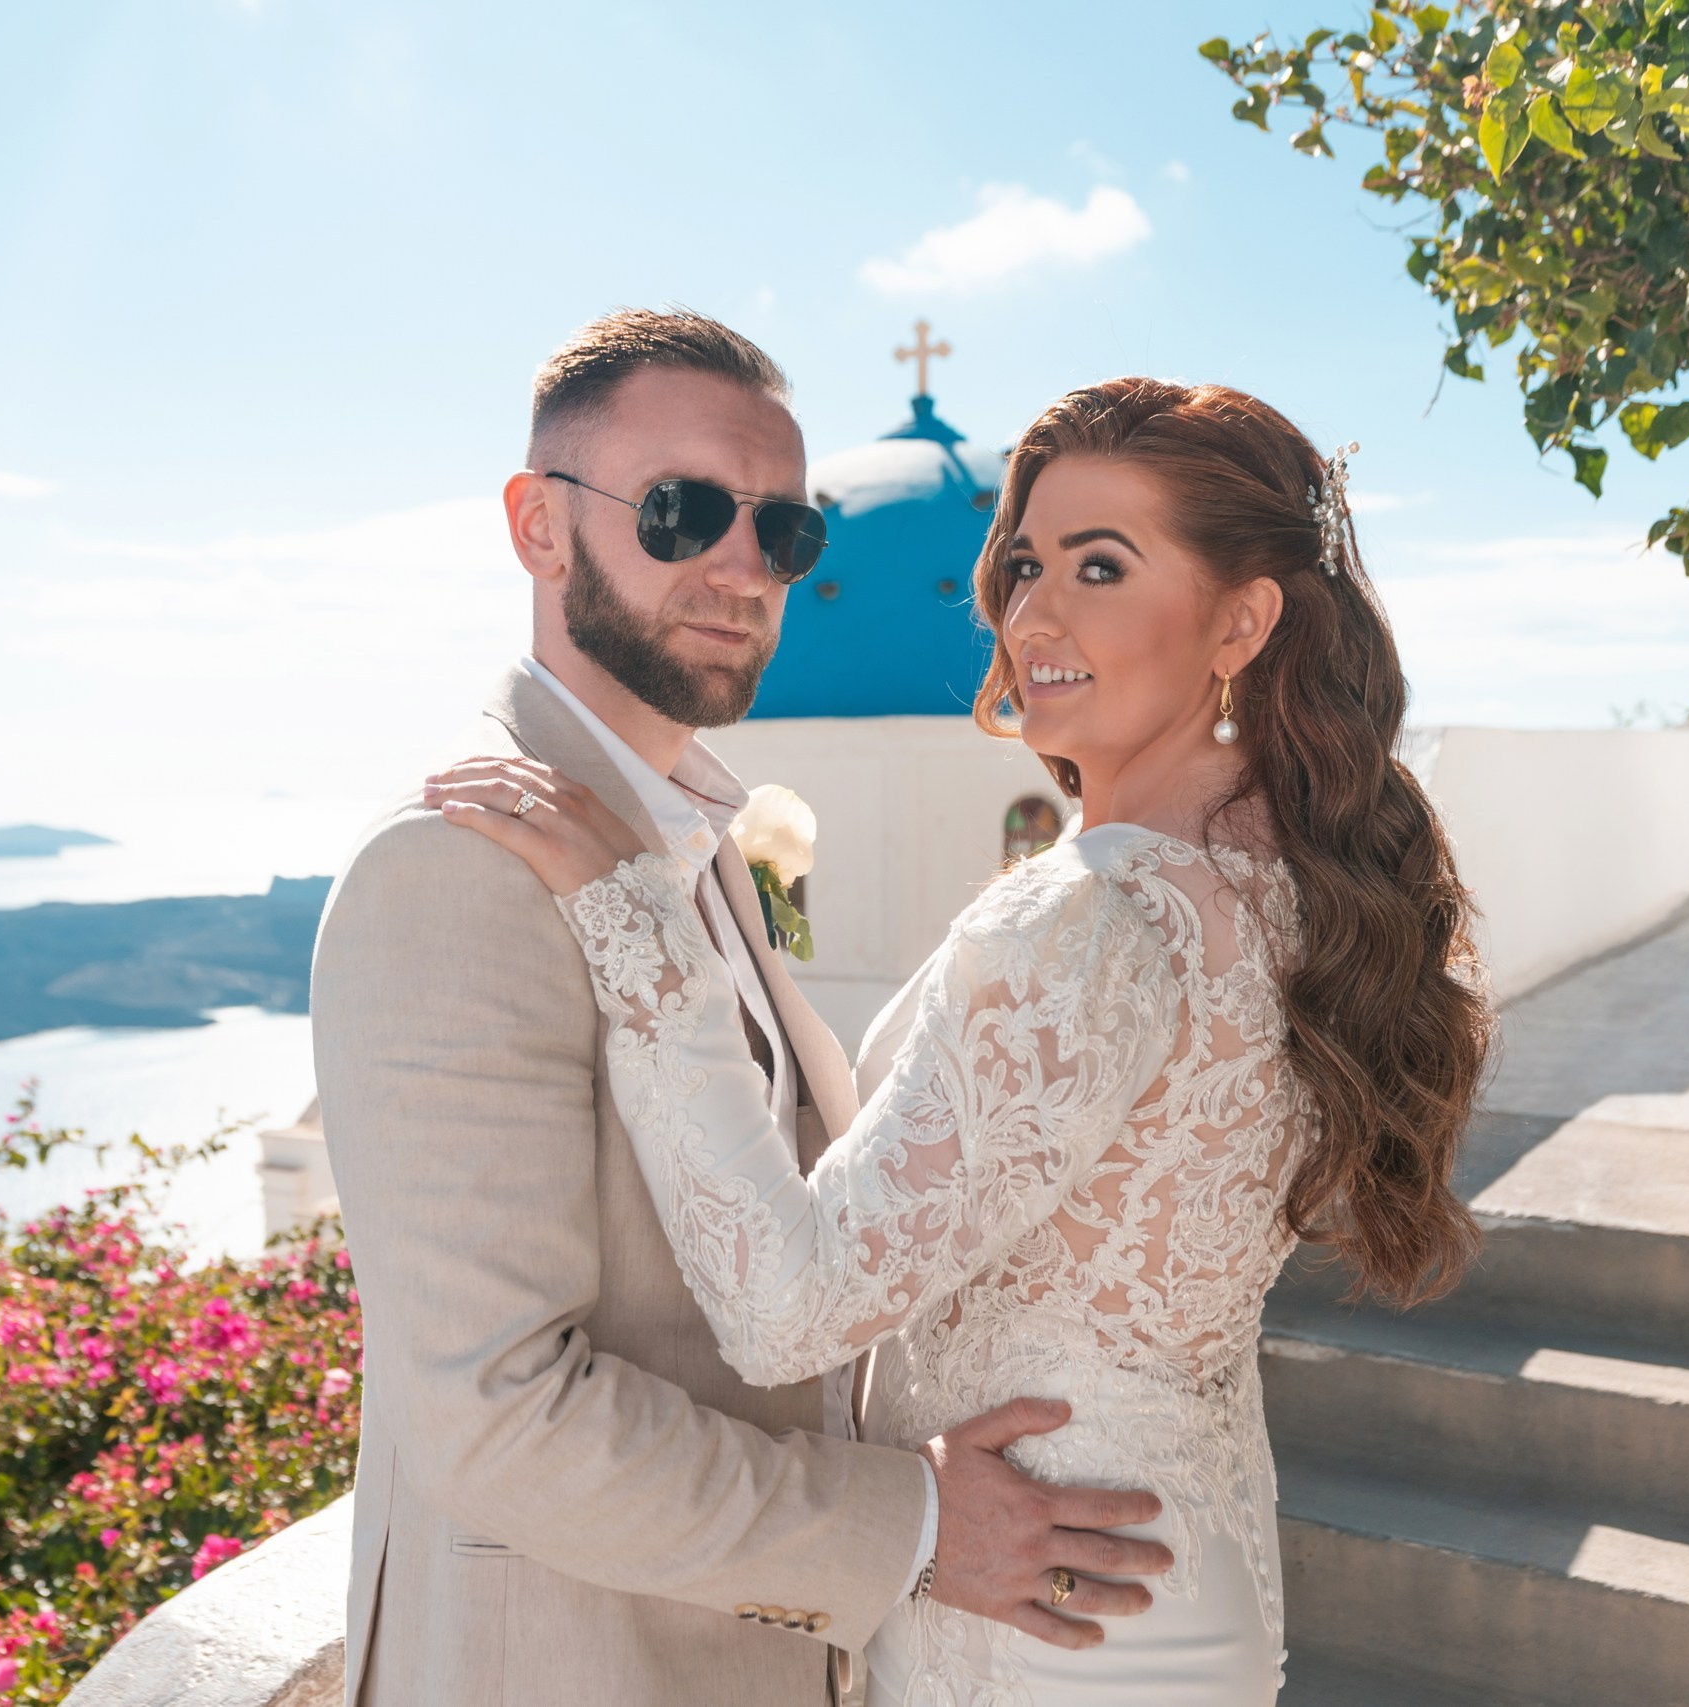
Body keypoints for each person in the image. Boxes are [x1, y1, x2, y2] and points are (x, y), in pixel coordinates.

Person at [432, 376, 1495, 1704]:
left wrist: (640, 926)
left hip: (1039, 1622)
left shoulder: (1089, 916)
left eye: (1102, 567)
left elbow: (786, 1310)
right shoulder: (1298, 890)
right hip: (1184, 1586)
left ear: (1245, 618)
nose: (1034, 614)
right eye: (1026, 563)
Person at [311, 312, 1175, 1707]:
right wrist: (921, 1527)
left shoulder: (690, 837)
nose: (741, 568)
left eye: (784, 532)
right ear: (538, 525)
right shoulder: (455, 868)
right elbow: (496, 1413)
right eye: (682, 512)